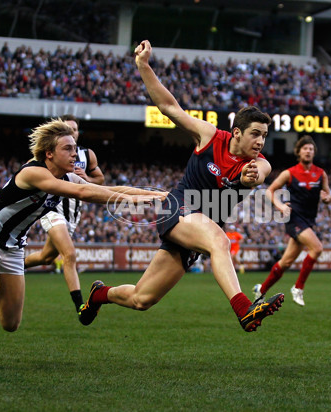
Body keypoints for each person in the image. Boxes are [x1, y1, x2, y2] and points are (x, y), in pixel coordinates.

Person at [78, 39, 284, 333]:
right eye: (255, 134)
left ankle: (99, 294)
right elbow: (168, 107)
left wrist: (252, 177)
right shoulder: (211, 136)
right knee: (220, 241)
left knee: (141, 298)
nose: (261, 141)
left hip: (199, 224)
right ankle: (244, 309)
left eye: (264, 135)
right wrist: (143, 65)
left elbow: (260, 173)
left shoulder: (259, 162)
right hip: (179, 208)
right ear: (237, 132)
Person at [0, 119, 165, 369]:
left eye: (75, 147)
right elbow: (85, 194)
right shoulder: (34, 173)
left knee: (10, 323)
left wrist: (155, 195)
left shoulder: (68, 177)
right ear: (49, 153)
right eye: (67, 148)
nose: (75, 153)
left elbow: (106, 188)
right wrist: (143, 200)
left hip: (12, 248)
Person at [23, 114, 105, 321]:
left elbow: (100, 180)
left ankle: (0, 267)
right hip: (52, 209)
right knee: (69, 254)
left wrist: (85, 179)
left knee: (46, 257)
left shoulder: (87, 155)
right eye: (67, 129)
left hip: (72, 214)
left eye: (75, 129)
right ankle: (82, 308)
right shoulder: (49, 158)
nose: (72, 132)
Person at [253, 135, 331, 306]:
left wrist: (327, 199)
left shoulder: (320, 174)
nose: (308, 151)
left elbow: (328, 195)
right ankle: (298, 288)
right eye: (305, 148)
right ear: (298, 151)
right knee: (317, 248)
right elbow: (270, 191)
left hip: (308, 220)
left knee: (286, 262)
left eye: (311, 149)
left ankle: (261, 290)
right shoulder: (289, 173)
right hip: (294, 218)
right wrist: (280, 206)